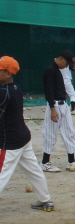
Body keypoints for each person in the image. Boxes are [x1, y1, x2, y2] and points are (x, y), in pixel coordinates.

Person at [0, 56, 54, 212]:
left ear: (8, 73)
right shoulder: (16, 88)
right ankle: (45, 200)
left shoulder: (4, 92)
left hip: (9, 142)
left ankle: (45, 200)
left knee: (1, 174)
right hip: (23, 137)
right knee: (34, 170)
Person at [40, 50, 75, 172]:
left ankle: (71, 160)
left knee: (69, 131)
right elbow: (48, 91)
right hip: (54, 105)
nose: (66, 66)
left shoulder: (58, 69)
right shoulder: (50, 70)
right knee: (50, 133)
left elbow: (72, 67)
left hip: (63, 105)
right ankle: (45, 162)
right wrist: (53, 108)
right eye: (66, 63)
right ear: (61, 59)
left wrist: (74, 62)